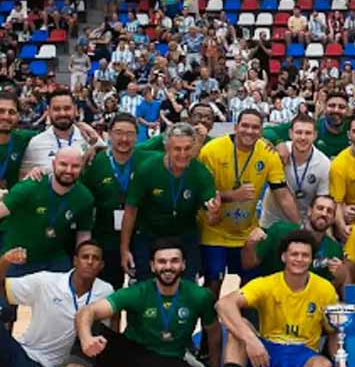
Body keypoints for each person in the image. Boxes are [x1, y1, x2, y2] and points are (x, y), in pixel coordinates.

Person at [33, 239, 219, 367]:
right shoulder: (138, 292)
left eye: (174, 261)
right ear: (152, 265)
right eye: (162, 262)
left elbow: (214, 332)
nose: (168, 267)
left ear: (183, 265)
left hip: (166, 365)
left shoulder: (199, 296)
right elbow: (86, 312)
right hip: (131, 360)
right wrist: (87, 339)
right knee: (92, 328)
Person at [210, 230, 339, 367]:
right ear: (284, 257)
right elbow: (223, 304)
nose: (299, 259)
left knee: (323, 365)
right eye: (294, 254)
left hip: (302, 355)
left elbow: (333, 330)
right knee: (239, 329)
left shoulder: (325, 289)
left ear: (311, 259)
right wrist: (252, 340)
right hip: (267, 351)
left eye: (305, 255)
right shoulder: (267, 283)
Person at [0, 241, 114, 367]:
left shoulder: (105, 291)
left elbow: (104, 334)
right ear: (75, 261)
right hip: (20, 354)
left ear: (101, 265)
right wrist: (5, 260)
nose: (90, 261)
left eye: (96, 258)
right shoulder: (46, 281)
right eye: (85, 257)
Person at [198, 110, 299, 302]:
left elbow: (283, 195)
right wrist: (234, 196)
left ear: (261, 131)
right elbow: (204, 195)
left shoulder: (268, 154)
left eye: (255, 127)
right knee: (213, 282)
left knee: (250, 284)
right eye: (245, 126)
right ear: (235, 127)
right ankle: (209, 330)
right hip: (213, 231)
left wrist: (299, 227)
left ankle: (244, 327)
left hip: (246, 232)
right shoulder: (211, 150)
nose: (249, 131)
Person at [120, 123, 221, 281]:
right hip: (149, 234)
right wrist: (124, 249)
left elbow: (212, 218)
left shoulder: (201, 173)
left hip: (184, 235)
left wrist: (214, 213)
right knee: (145, 288)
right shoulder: (147, 169)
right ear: (167, 147)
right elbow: (131, 211)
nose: (183, 154)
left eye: (187, 148)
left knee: (186, 287)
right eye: (177, 149)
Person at [0, 147, 94, 280]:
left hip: (54, 259)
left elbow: (84, 233)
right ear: (53, 164)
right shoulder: (30, 186)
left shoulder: (84, 197)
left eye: (75, 166)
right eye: (63, 164)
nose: (68, 170)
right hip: (18, 258)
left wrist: (82, 260)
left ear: (82, 167)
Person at [81, 114, 153, 288]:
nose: (124, 138)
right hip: (106, 238)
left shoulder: (149, 159)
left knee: (142, 291)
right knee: (109, 292)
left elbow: (173, 140)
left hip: (141, 236)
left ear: (137, 136)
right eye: (118, 133)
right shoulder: (95, 162)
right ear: (109, 134)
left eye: (130, 134)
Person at [242, 195, 345, 285]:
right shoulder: (279, 231)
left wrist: (340, 276)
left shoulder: (334, 249)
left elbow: (327, 291)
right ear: (309, 211)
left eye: (329, 211)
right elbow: (248, 265)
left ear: (333, 219)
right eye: (320, 208)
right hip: (270, 296)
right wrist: (250, 244)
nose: (324, 213)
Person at [259, 114, 330, 228]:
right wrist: (277, 142)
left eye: (308, 133)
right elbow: (263, 131)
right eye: (298, 132)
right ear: (290, 134)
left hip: (304, 222)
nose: (303, 137)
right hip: (271, 220)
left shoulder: (324, 164)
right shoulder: (278, 153)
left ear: (315, 135)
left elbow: (321, 200)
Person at [20, 89, 98, 174]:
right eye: (56, 109)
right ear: (49, 111)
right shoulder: (36, 143)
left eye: (67, 108)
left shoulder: (89, 136)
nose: (62, 113)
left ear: (75, 109)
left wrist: (95, 147)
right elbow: (23, 176)